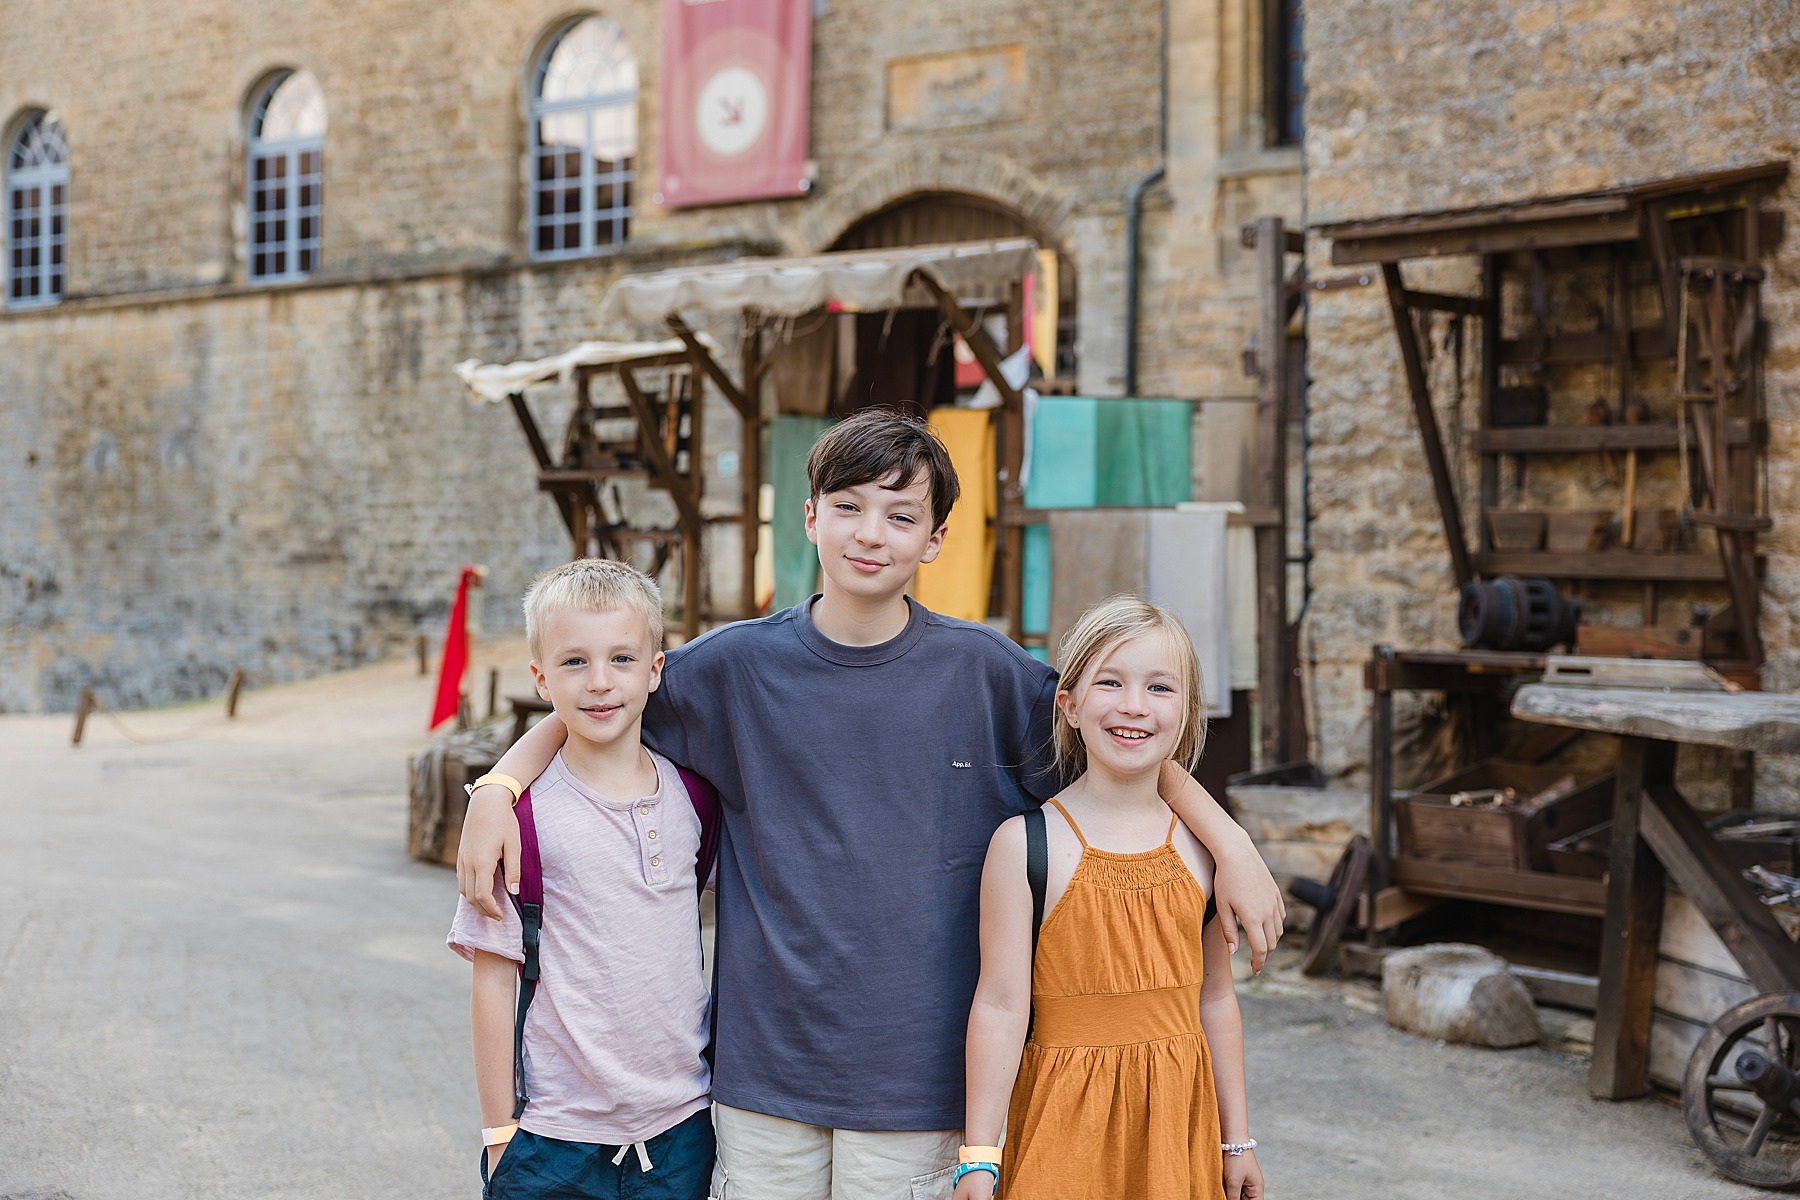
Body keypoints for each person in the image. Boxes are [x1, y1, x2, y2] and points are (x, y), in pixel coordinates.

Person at [458, 410, 1283, 1199]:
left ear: (935, 540)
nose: (869, 533)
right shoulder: (731, 670)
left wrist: (1230, 843)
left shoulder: (986, 674)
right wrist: (501, 784)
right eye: (848, 508)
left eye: (900, 515)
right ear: (810, 517)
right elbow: (595, 705)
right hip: (762, 1079)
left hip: (917, 1087)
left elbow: (1117, 746)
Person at [954, 596, 1262, 1200]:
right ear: (1068, 705)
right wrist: (979, 1154)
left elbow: (1216, 1000)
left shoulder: (1204, 852)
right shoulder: (1026, 846)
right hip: (1062, 1126)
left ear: (1189, 712)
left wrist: (1238, 1141)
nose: (1133, 706)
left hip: (1179, 1130)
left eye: (1160, 688)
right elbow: (999, 1005)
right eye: (1110, 682)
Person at [447, 559, 715, 1200]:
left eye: (622, 659)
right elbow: (492, 976)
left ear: (655, 670)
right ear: (540, 678)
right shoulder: (520, 819)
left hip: (679, 1127)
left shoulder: (694, 797)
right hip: (553, 1135)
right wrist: (497, 1128)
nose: (600, 682)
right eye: (574, 663)